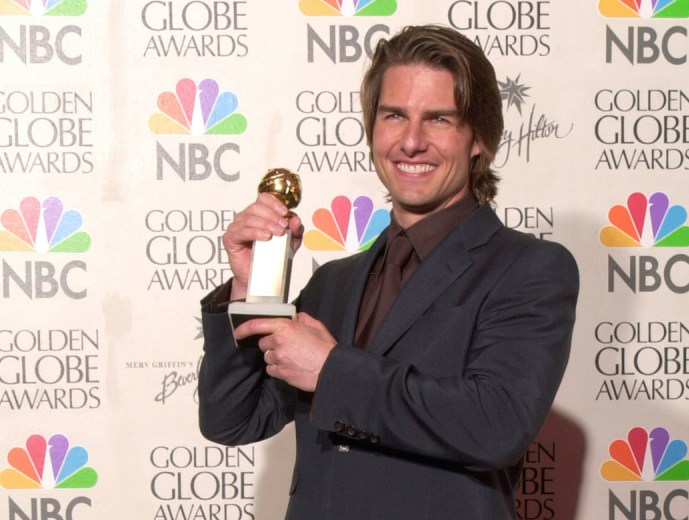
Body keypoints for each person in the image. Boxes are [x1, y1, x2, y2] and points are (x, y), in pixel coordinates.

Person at [198, 24, 579, 520]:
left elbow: (497, 424)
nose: (411, 141)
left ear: (479, 138)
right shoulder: (334, 281)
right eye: (394, 115)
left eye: (438, 119)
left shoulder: (528, 269)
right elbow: (232, 421)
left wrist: (332, 370)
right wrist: (252, 292)